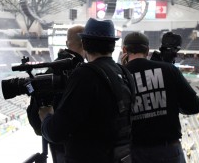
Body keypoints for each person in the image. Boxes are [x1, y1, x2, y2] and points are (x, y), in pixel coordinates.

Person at [38, 18, 135, 163]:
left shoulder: (85, 74)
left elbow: (56, 132)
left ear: (84, 44)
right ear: (113, 45)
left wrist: (46, 117)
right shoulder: (125, 73)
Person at [121, 31, 199, 163]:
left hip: (134, 152)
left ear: (124, 49)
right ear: (147, 50)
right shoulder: (169, 69)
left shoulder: (119, 76)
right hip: (168, 150)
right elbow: (194, 107)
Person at [26, 25, 85, 163]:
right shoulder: (82, 72)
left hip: (55, 144)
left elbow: (36, 120)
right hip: (76, 148)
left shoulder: (51, 70)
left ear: (66, 43)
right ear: (85, 44)